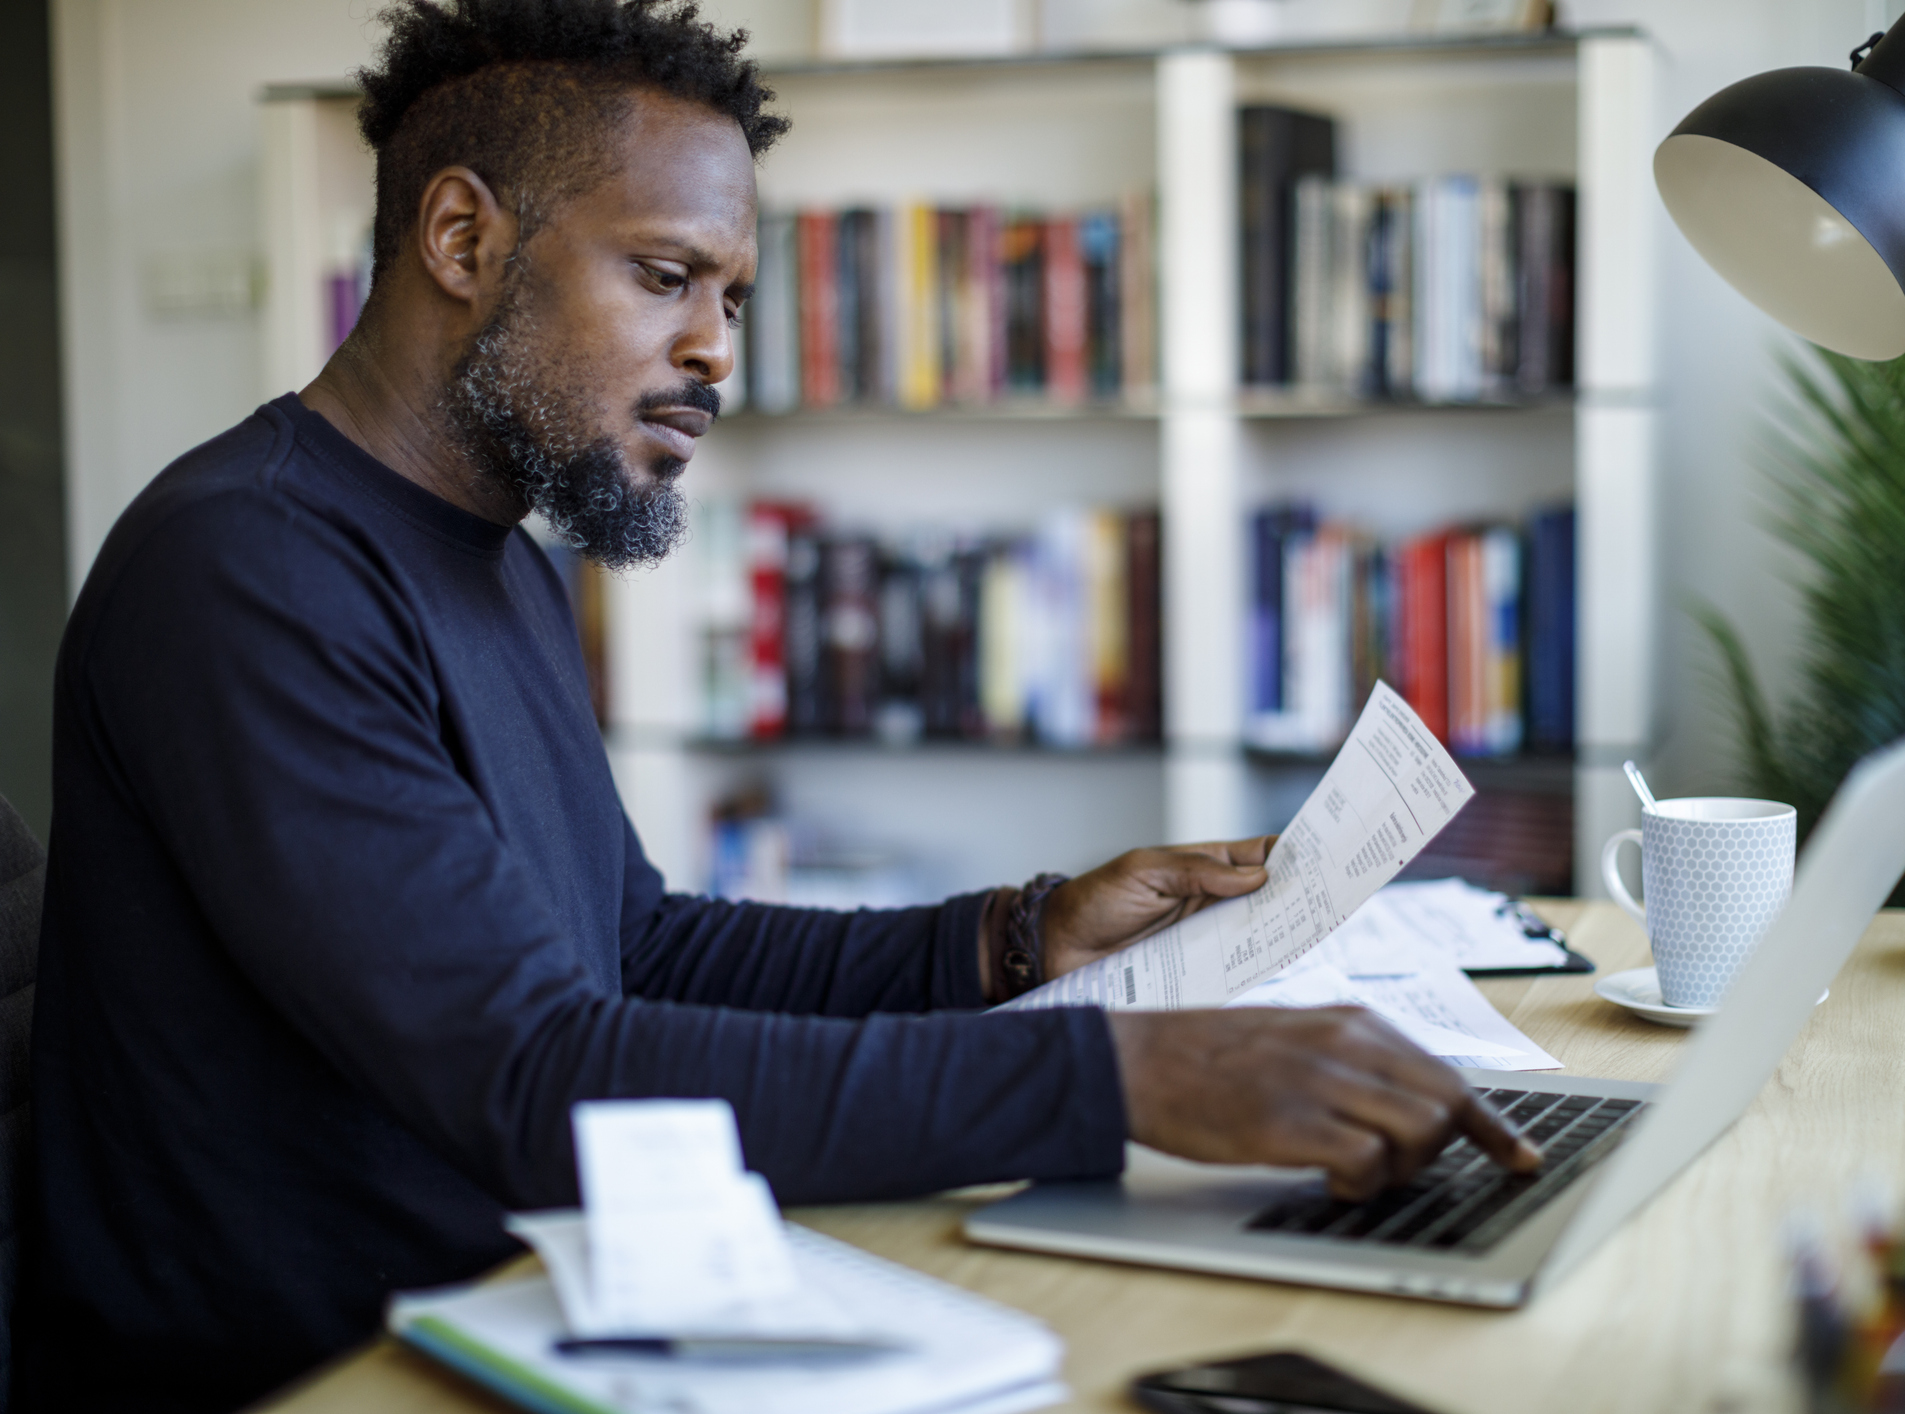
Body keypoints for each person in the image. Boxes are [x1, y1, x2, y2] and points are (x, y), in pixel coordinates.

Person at [18, 3, 1537, 1409]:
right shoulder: (249, 570)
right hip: (318, 1373)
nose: (717, 352)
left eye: (733, 296)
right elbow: (534, 1079)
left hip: (532, 1301)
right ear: (463, 237)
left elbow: (637, 944)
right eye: (664, 276)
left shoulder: (503, 566)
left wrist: (1019, 939)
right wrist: (1124, 1076)